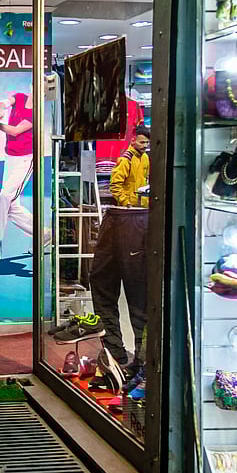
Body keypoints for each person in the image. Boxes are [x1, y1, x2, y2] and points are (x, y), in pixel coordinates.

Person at [60, 126, 151, 378]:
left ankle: (140, 360)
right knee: (105, 282)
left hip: (136, 218)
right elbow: (116, 183)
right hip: (123, 214)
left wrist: (136, 201)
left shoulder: (144, 158)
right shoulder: (128, 158)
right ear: (134, 139)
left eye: (146, 142)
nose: (144, 145)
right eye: (142, 142)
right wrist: (128, 200)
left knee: (137, 293)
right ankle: (116, 351)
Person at [0, 92, 37, 262]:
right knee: (12, 205)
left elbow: (15, 131)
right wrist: (0, 109)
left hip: (25, 159)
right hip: (11, 157)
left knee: (5, 196)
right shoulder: (20, 97)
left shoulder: (35, 113)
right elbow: (4, 101)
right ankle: (44, 234)